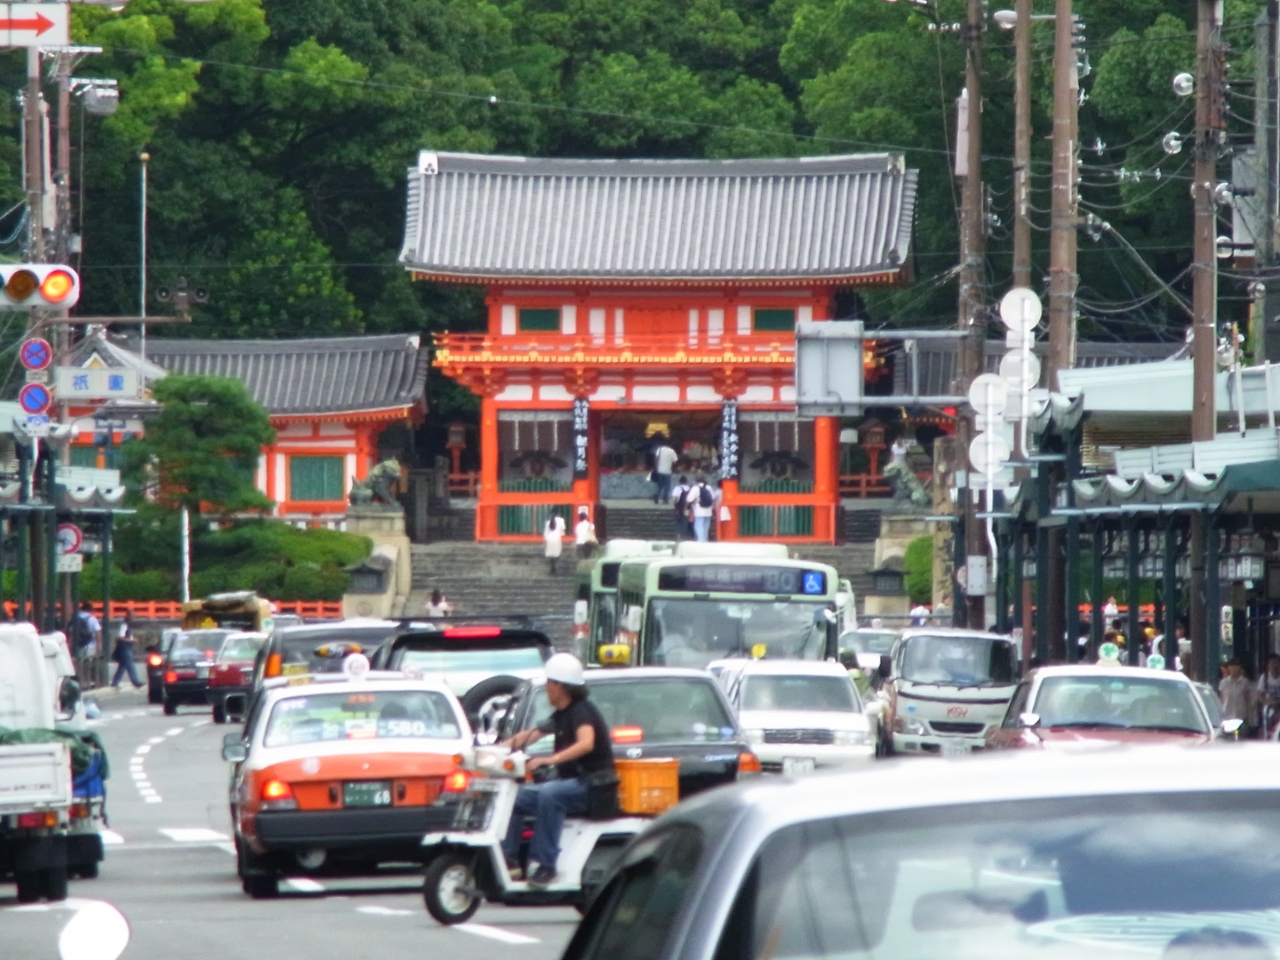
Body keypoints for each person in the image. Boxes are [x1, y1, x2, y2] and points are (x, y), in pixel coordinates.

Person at [500, 654, 614, 886]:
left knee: (550, 794)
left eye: (548, 683)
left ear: (559, 686)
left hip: (592, 786)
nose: (546, 688)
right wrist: (495, 750)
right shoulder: (563, 714)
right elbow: (531, 735)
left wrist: (550, 759)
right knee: (513, 797)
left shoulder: (582, 712)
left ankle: (545, 865)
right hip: (572, 784)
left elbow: (586, 743)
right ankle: (508, 860)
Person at [1220, 659, 1256, 735]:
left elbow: (1248, 699)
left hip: (1241, 716)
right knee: (1228, 737)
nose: (1234, 669)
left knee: (1241, 736)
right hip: (1227, 715)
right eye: (1231, 666)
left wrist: (1248, 715)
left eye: (1236, 666)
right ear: (1228, 668)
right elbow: (1221, 698)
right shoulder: (1223, 683)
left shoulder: (1245, 682)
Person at [110, 612, 144, 690]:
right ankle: (135, 681)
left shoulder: (127, 626)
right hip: (124, 648)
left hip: (127, 647)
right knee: (130, 664)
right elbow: (120, 637)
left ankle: (115, 682)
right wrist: (131, 640)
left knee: (123, 666)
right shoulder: (124, 626)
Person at [690, 476, 719, 542]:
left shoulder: (695, 488)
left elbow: (689, 499)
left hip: (699, 510)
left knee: (699, 525)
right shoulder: (709, 487)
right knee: (706, 526)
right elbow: (713, 497)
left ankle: (701, 540)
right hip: (708, 510)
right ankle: (705, 540)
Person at [651, 437, 678, 505]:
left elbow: (656, 458)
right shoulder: (672, 451)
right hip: (667, 471)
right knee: (667, 486)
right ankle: (665, 499)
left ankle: (657, 496)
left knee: (660, 485)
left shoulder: (659, 449)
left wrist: (656, 467)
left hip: (660, 470)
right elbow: (675, 461)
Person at [1258, 654, 1280, 736]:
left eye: (1276, 663)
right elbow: (1259, 696)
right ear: (1268, 665)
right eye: (1272, 663)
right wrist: (1268, 702)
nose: (1274, 666)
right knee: (1269, 730)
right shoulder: (1264, 677)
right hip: (1269, 709)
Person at [671, 475, 693, 539]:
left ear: (680, 481)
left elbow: (674, 498)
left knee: (678, 521)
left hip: (679, 508)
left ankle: (679, 535)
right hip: (687, 508)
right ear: (686, 481)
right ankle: (685, 534)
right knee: (685, 520)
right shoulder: (689, 488)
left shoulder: (677, 488)